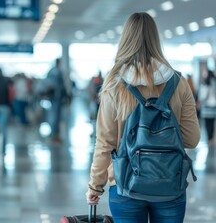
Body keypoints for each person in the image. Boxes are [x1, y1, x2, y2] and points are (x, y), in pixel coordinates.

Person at [86, 12, 200, 222]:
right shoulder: (179, 83)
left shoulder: (114, 85)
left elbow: (105, 143)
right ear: (156, 39)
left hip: (124, 185)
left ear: (125, 40)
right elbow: (192, 139)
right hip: (170, 185)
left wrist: (95, 186)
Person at [44, 58, 67, 142]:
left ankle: (54, 134)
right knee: (55, 117)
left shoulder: (51, 71)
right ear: (59, 63)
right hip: (57, 97)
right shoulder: (57, 72)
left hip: (53, 97)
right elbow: (60, 86)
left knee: (52, 116)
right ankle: (55, 135)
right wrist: (65, 95)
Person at [198, 67, 216, 166]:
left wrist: (199, 101)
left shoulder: (205, 83)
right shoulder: (214, 82)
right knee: (212, 123)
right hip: (214, 106)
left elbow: (202, 96)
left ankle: (209, 139)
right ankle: (212, 138)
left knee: (207, 124)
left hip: (206, 107)